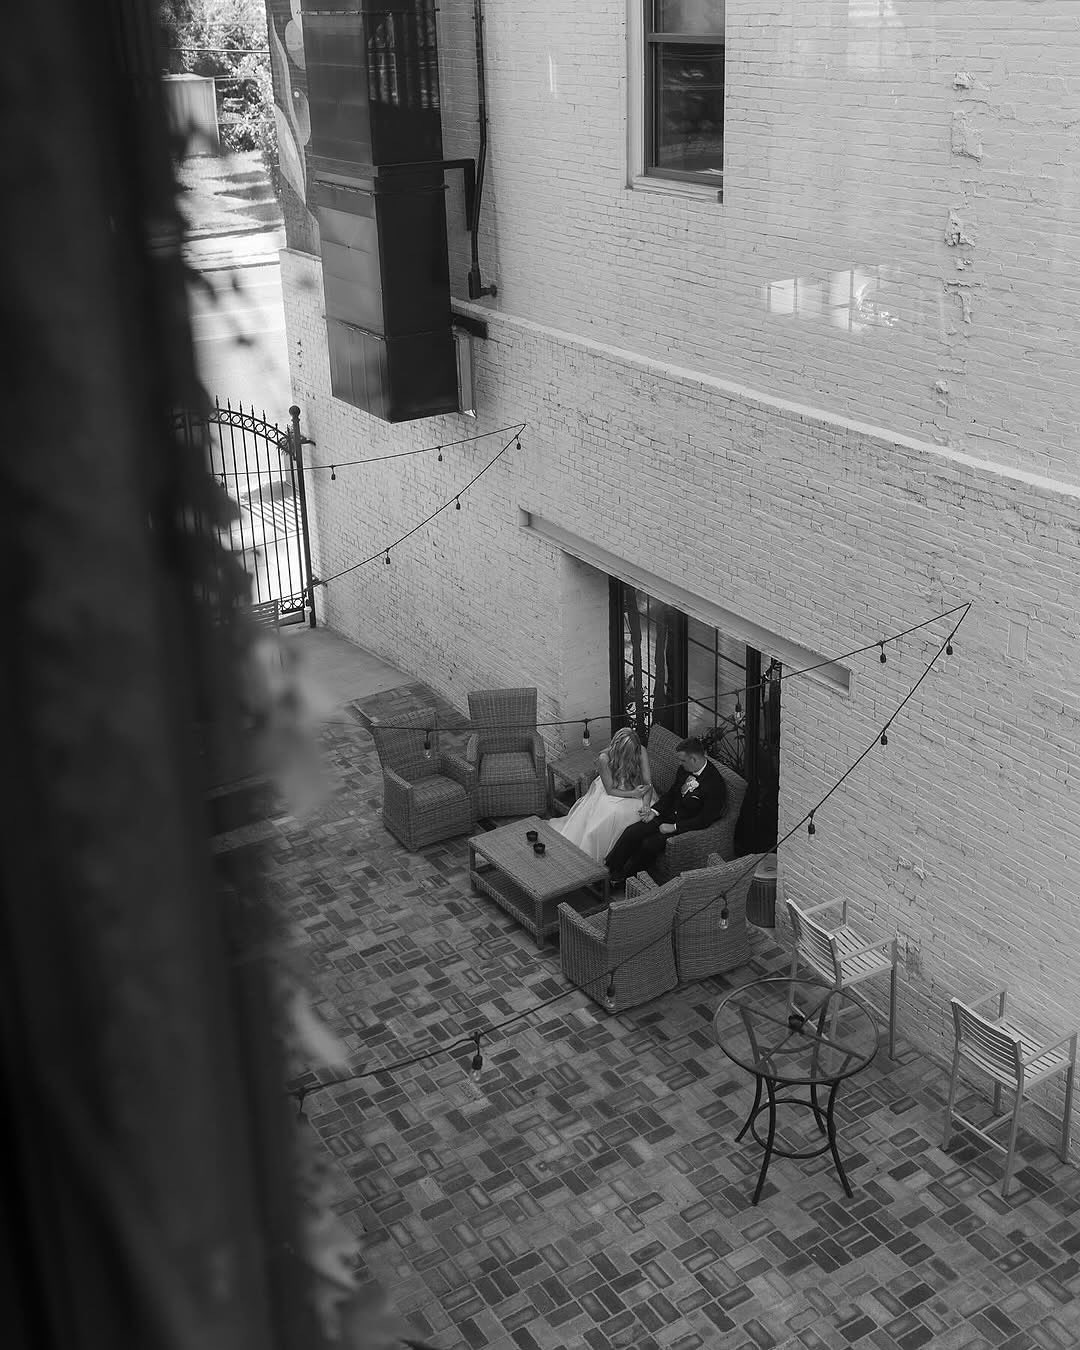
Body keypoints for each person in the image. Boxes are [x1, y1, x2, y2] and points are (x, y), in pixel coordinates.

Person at [604, 736, 727, 882]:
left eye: (682, 760)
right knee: (632, 831)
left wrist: (674, 827)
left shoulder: (715, 784)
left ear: (694, 759)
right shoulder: (684, 769)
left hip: (684, 826)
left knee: (649, 844)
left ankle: (624, 879)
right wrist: (654, 811)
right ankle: (609, 869)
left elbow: (704, 820)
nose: (680, 764)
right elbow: (671, 794)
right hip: (666, 815)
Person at [550, 727, 655, 863]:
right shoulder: (604, 758)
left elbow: (648, 783)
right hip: (613, 791)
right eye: (627, 753)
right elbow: (610, 790)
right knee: (611, 814)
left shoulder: (641, 751)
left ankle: (624, 856)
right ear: (618, 749)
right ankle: (604, 858)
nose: (631, 756)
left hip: (635, 788)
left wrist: (646, 805)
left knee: (644, 812)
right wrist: (633, 794)